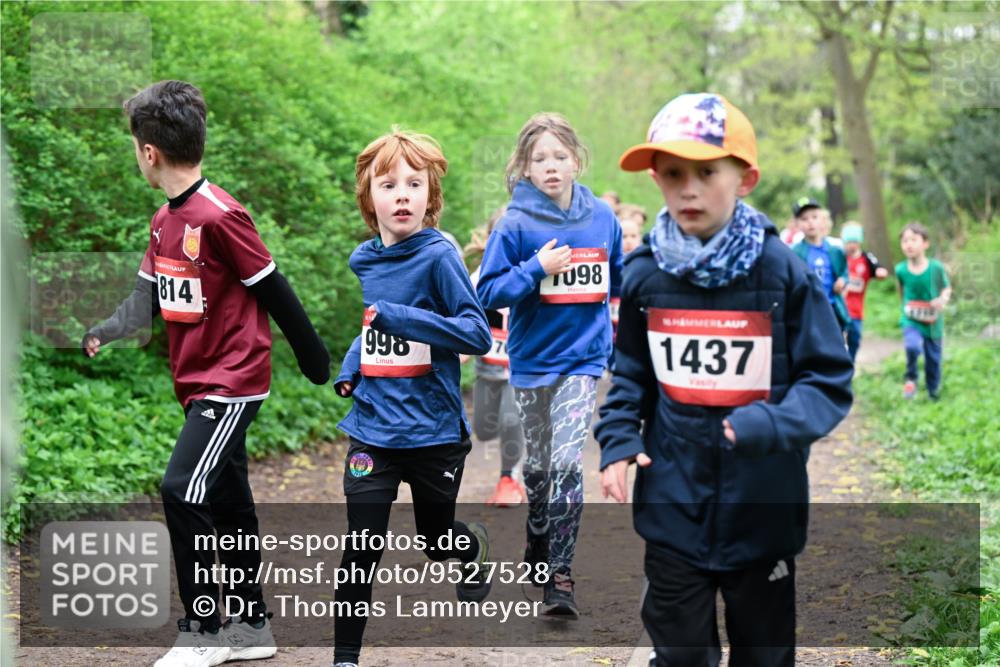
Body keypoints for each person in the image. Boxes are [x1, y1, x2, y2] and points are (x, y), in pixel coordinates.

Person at [595, 92, 853, 667]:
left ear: (745, 177)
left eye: (706, 172)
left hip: (763, 508)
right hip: (671, 504)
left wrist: (768, 422)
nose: (688, 188)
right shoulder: (643, 274)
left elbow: (827, 380)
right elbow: (632, 373)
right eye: (672, 173)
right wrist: (617, 439)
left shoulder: (782, 270)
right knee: (682, 656)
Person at [81, 80, 331, 667]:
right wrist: (106, 329)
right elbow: (147, 298)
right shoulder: (163, 221)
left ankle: (203, 630)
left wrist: (315, 359)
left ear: (148, 151)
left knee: (181, 487)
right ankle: (252, 626)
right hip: (196, 382)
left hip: (234, 379)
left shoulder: (221, 216)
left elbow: (275, 290)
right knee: (227, 498)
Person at [332, 128, 493, 667]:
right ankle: (344, 659)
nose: (401, 194)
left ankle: (469, 547)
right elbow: (372, 327)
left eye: (413, 183)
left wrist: (406, 318)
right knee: (361, 547)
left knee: (435, 540)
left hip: (433, 433)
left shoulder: (440, 257)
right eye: (388, 184)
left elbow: (476, 334)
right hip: (373, 427)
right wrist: (353, 367)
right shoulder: (365, 259)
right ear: (368, 196)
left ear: (430, 197)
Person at [476, 112, 623, 617]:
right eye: (540, 159)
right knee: (539, 473)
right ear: (525, 166)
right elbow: (487, 293)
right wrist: (537, 268)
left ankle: (560, 577)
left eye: (560, 156)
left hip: (584, 360)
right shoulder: (516, 224)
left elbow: (619, 282)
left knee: (565, 463)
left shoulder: (603, 217)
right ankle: (539, 534)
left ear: (577, 160)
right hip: (533, 362)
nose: (552, 167)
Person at [463, 206, 528, 507]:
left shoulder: (533, 274)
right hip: (487, 368)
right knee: (485, 429)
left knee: (510, 417)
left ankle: (509, 478)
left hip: (522, 368)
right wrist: (460, 347)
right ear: (490, 240)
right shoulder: (477, 279)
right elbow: (463, 318)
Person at [895, 222, 951, 399]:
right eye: (904, 241)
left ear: (925, 243)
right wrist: (906, 309)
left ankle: (933, 391)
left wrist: (942, 300)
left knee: (933, 359)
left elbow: (946, 288)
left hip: (933, 321)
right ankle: (911, 378)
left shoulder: (936, 267)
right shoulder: (900, 269)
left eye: (913, 239)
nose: (909, 244)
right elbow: (901, 292)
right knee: (912, 346)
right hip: (911, 319)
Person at [791, 197, 850, 330]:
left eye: (814, 217)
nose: (810, 223)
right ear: (797, 224)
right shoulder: (794, 252)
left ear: (823, 219)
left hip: (833, 307)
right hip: (809, 310)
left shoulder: (835, 250)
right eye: (804, 219)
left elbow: (844, 271)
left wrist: (843, 280)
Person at [841, 221, 889, 362]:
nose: (851, 245)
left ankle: (850, 363)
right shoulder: (839, 256)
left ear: (859, 241)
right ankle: (839, 365)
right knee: (837, 338)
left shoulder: (866, 258)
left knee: (855, 338)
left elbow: (879, 269)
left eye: (854, 241)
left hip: (856, 310)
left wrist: (881, 273)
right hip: (839, 308)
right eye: (849, 241)